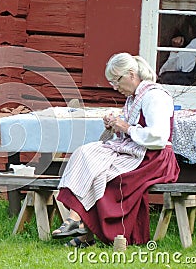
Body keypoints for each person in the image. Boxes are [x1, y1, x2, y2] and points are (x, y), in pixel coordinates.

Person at [52, 52, 180, 247]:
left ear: (131, 74)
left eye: (117, 81)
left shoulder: (155, 96)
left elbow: (158, 137)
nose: (115, 87)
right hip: (137, 152)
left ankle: (82, 228)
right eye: (112, 83)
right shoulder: (134, 98)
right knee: (85, 154)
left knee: (106, 174)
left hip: (154, 158)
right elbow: (131, 131)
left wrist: (126, 127)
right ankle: (77, 221)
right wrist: (115, 126)